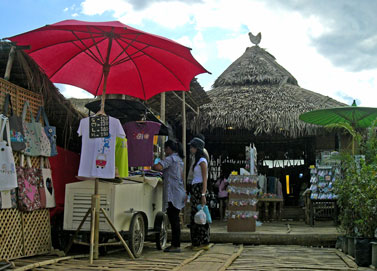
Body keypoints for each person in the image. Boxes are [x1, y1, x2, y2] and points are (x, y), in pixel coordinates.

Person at [152, 140, 186, 253]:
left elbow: (158, 167)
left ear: (169, 149)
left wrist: (152, 163)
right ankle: (175, 244)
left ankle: (175, 245)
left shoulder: (171, 159)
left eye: (166, 149)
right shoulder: (179, 160)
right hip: (179, 191)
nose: (165, 152)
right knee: (174, 219)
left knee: (174, 219)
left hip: (173, 193)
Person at [188, 137, 210, 250]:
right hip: (194, 187)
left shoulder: (202, 161)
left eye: (192, 147)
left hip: (200, 187)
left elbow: (205, 178)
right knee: (194, 216)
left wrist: (203, 194)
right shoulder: (195, 160)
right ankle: (195, 241)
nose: (191, 149)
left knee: (201, 216)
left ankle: (203, 241)